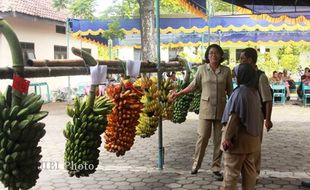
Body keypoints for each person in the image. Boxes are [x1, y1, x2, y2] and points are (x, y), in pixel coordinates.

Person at [171, 44, 233, 180]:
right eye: (210, 53)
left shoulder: (226, 71)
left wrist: (233, 108)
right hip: (206, 109)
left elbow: (230, 91)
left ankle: (216, 168)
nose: (213, 55)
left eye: (216, 53)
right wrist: (179, 93)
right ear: (207, 55)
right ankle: (196, 164)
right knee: (202, 137)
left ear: (221, 55)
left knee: (219, 140)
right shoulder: (201, 70)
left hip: (221, 110)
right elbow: (193, 85)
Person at [221, 63, 263, 190]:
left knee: (231, 174)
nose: (235, 77)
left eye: (236, 74)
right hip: (252, 142)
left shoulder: (240, 92)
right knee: (250, 173)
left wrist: (227, 138)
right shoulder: (254, 92)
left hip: (238, 141)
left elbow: (235, 118)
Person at [239, 48, 273, 181]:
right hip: (243, 115)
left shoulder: (261, 77)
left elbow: (267, 100)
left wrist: (268, 119)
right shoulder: (244, 75)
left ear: (249, 60)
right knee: (244, 144)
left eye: (242, 58)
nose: (240, 61)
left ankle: (255, 174)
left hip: (256, 116)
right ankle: (246, 172)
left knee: (255, 145)